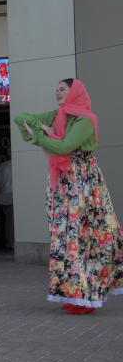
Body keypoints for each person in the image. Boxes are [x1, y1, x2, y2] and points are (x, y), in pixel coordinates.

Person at [15, 78, 123, 314]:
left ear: (74, 92)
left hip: (83, 181)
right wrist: (42, 128)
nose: (57, 93)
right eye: (56, 90)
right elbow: (20, 117)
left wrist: (39, 135)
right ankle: (75, 295)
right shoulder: (57, 115)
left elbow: (64, 147)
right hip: (64, 182)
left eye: (62, 89)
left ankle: (87, 297)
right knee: (66, 238)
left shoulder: (86, 120)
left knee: (85, 236)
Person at [0, 151, 14, 249]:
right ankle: (13, 242)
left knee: (8, 220)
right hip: (16, 196)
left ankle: (9, 241)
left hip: (4, 196)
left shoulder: (3, 166)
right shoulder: (19, 164)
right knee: (14, 220)